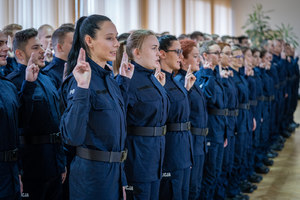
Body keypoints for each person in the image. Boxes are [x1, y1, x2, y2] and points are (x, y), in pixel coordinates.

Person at [60, 15, 133, 200]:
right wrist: (82, 88)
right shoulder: (78, 80)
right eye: (109, 38)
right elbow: (72, 136)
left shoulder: (109, 78)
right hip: (91, 178)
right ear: (89, 41)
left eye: (116, 37)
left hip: (114, 174)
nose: (116, 44)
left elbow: (117, 132)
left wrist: (121, 181)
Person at [6, 28, 65, 200]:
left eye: (41, 46)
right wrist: (18, 170)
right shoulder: (13, 83)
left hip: (54, 163)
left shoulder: (46, 78)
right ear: (19, 53)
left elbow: (57, 122)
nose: (42, 51)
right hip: (31, 165)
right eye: (35, 48)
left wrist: (61, 163)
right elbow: (15, 128)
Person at [116, 30, 169, 200]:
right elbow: (119, 126)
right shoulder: (127, 79)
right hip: (137, 159)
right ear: (136, 52)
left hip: (156, 156)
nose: (158, 54)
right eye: (154, 48)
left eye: (158, 48)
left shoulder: (153, 77)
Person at [158, 35, 193, 200]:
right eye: (177, 51)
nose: (181, 56)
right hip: (171, 149)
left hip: (184, 147)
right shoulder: (159, 81)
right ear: (162, 53)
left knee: (183, 193)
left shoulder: (176, 80)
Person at [175, 39, 208, 200]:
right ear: (182, 59)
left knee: (197, 185)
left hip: (199, 140)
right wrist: (186, 91)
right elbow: (180, 112)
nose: (199, 60)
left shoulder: (191, 79)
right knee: (191, 187)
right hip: (191, 140)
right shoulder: (181, 82)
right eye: (195, 56)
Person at [194, 41, 228, 200]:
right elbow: (207, 99)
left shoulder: (215, 74)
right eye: (216, 52)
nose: (220, 56)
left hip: (220, 130)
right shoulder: (202, 75)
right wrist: (208, 73)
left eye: (221, 52)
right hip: (211, 132)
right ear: (205, 55)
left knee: (216, 172)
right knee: (209, 173)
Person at [214, 42, 239, 200]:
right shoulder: (215, 76)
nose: (230, 57)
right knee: (218, 167)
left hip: (230, 122)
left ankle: (229, 191)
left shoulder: (226, 74)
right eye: (227, 54)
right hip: (219, 124)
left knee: (228, 163)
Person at [226, 45, 250, 200]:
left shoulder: (239, 75)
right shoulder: (229, 76)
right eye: (237, 57)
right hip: (235, 117)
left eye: (242, 57)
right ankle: (232, 190)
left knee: (242, 152)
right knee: (234, 157)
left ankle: (238, 185)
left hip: (244, 116)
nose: (241, 60)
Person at [0, 30, 21, 200]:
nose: (6, 48)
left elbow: (17, 131)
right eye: (0, 43)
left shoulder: (8, 86)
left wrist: (18, 172)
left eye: (6, 43)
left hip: (11, 172)